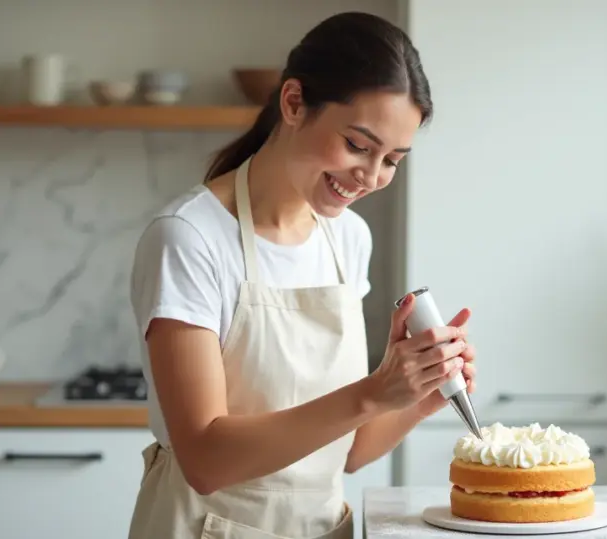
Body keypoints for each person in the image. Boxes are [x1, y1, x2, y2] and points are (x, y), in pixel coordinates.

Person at [126, 11, 477, 539]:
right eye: (358, 145)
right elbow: (205, 460)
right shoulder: (190, 237)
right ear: (293, 102)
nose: (370, 176)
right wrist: (374, 391)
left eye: (392, 160)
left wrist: (417, 394)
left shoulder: (348, 238)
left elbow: (347, 452)